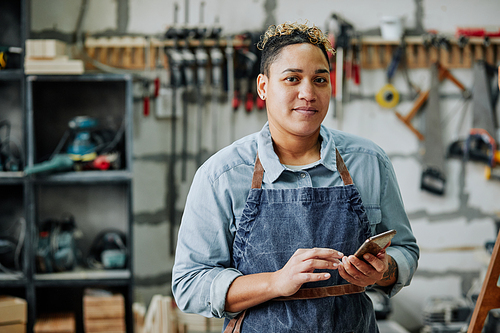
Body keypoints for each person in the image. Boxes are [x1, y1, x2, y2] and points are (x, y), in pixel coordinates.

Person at [172, 21, 419, 332]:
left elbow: (405, 250)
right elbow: (189, 284)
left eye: (320, 80)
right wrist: (276, 282)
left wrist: (383, 271)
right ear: (263, 86)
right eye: (292, 79)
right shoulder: (222, 175)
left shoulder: (368, 162)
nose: (308, 93)